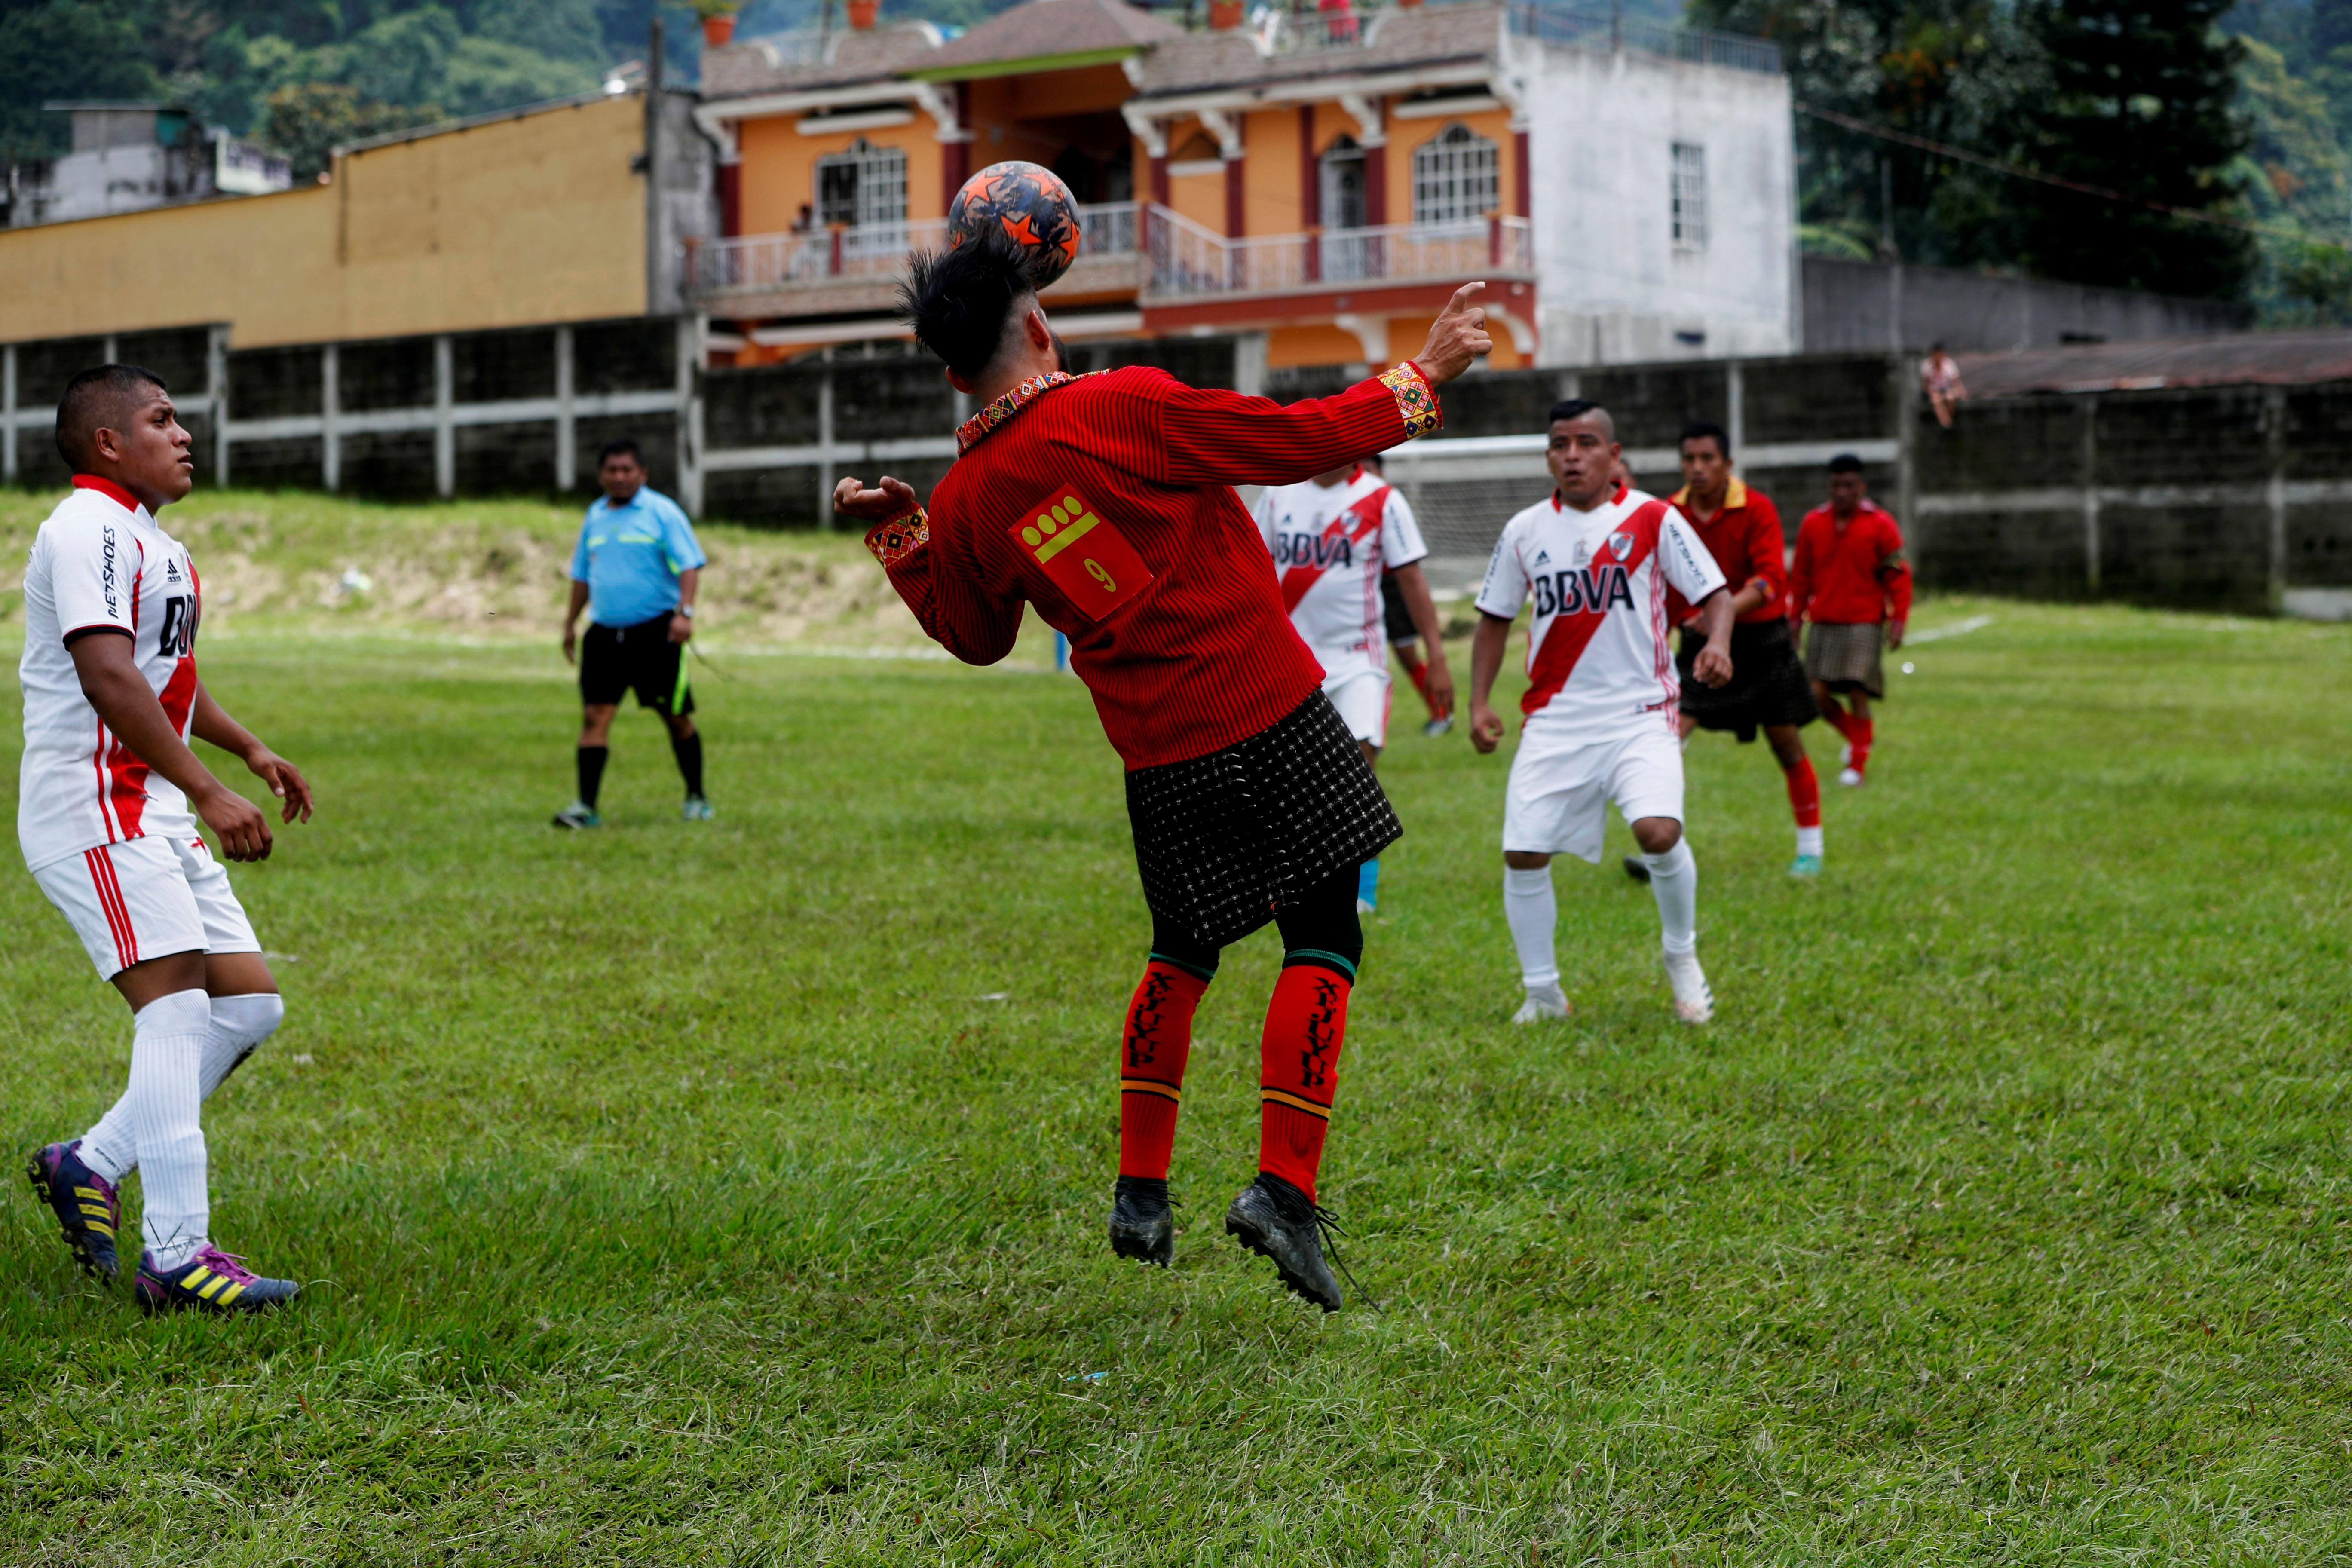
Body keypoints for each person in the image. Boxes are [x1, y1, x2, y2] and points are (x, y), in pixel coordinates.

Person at [833, 231, 1491, 1311]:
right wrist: (1425, 374)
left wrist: (901, 534)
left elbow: (975, 636)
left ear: (950, 369)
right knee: (1325, 934)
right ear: (1040, 324)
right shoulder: (1119, 405)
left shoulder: (963, 499)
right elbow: (1299, 439)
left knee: (1181, 952)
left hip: (1156, 753)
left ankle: (1141, 1192)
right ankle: (1282, 1188)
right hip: (1267, 707)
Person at [19, 364, 314, 1314]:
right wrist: (212, 789)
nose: (182, 433)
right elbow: (107, 677)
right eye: (161, 419)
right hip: (97, 806)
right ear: (109, 443)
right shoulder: (85, 529)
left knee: (250, 1009)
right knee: (178, 1012)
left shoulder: (152, 539)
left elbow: (165, 677)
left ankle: (90, 1164)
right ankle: (177, 1257)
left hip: (151, 809)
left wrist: (251, 747)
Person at [1467, 399, 1733, 1026]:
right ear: (1549, 456)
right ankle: (1543, 994)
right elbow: (1494, 621)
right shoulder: (1525, 530)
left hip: (1640, 714)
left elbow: (1716, 594)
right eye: (1560, 444)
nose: (1572, 455)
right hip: (1555, 719)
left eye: (1587, 443)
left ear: (1614, 457)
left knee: (1659, 833)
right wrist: (1480, 701)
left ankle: (1681, 958)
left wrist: (1718, 642)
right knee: (1523, 853)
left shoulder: (1653, 518)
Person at [1622, 420, 1825, 879]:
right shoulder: (1668, 513)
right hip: (1699, 646)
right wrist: (1683, 622)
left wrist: (1719, 612)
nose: (1697, 469)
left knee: (1787, 745)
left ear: (1728, 465)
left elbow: (1771, 580)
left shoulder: (1757, 508)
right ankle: (1662, 851)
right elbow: (1661, 586)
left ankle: (1810, 850)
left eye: (1707, 459)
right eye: (1689, 460)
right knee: (1667, 740)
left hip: (1762, 642)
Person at [1253, 453, 1454, 914]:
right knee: (1287, 778)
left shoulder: (1383, 500)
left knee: (1359, 764)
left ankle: (1362, 889)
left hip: (1357, 660)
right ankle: (1290, 883)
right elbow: (1253, 565)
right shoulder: (1279, 493)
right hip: (1288, 659)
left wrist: (1437, 658)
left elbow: (1412, 581)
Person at [554, 440, 711, 828]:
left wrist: (685, 613)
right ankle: (585, 807)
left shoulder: (662, 513)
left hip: (655, 634)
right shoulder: (594, 516)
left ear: (643, 474)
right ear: (601, 475)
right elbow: (581, 575)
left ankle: (696, 796)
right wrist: (570, 623)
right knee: (595, 716)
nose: (620, 477)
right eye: (612, 470)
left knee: (675, 717)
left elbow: (689, 566)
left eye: (628, 470)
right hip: (605, 635)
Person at [1791, 454, 1911, 787]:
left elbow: (1898, 575)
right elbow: (1800, 575)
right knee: (1816, 693)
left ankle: (1857, 766)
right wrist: (1795, 619)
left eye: (1849, 485)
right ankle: (1858, 738)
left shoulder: (1880, 524)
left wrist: (1899, 618)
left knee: (1858, 689)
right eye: (1836, 485)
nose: (1842, 492)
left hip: (1864, 621)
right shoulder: (1813, 523)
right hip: (1825, 620)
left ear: (1862, 487)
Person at [1363, 454, 1454, 741]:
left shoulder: (1388, 503)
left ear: (1379, 471)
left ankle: (1441, 713)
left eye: (1368, 469)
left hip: (1393, 589)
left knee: (1408, 657)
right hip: (1362, 593)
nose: (1363, 476)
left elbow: (1409, 569)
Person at [1920, 343, 1966, 429]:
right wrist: (1927, 393)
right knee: (1936, 400)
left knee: (1950, 398)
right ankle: (1945, 422)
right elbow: (1926, 383)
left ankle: (1948, 420)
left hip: (1947, 388)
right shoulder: (1927, 365)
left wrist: (1962, 392)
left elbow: (1956, 381)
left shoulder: (1949, 364)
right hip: (1934, 390)